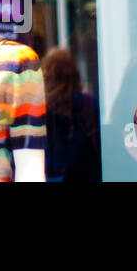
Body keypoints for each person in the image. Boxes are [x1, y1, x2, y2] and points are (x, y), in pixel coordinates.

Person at [41, 47, 100, 181]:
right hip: (85, 175)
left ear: (47, 74)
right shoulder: (88, 103)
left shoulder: (40, 108)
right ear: (74, 72)